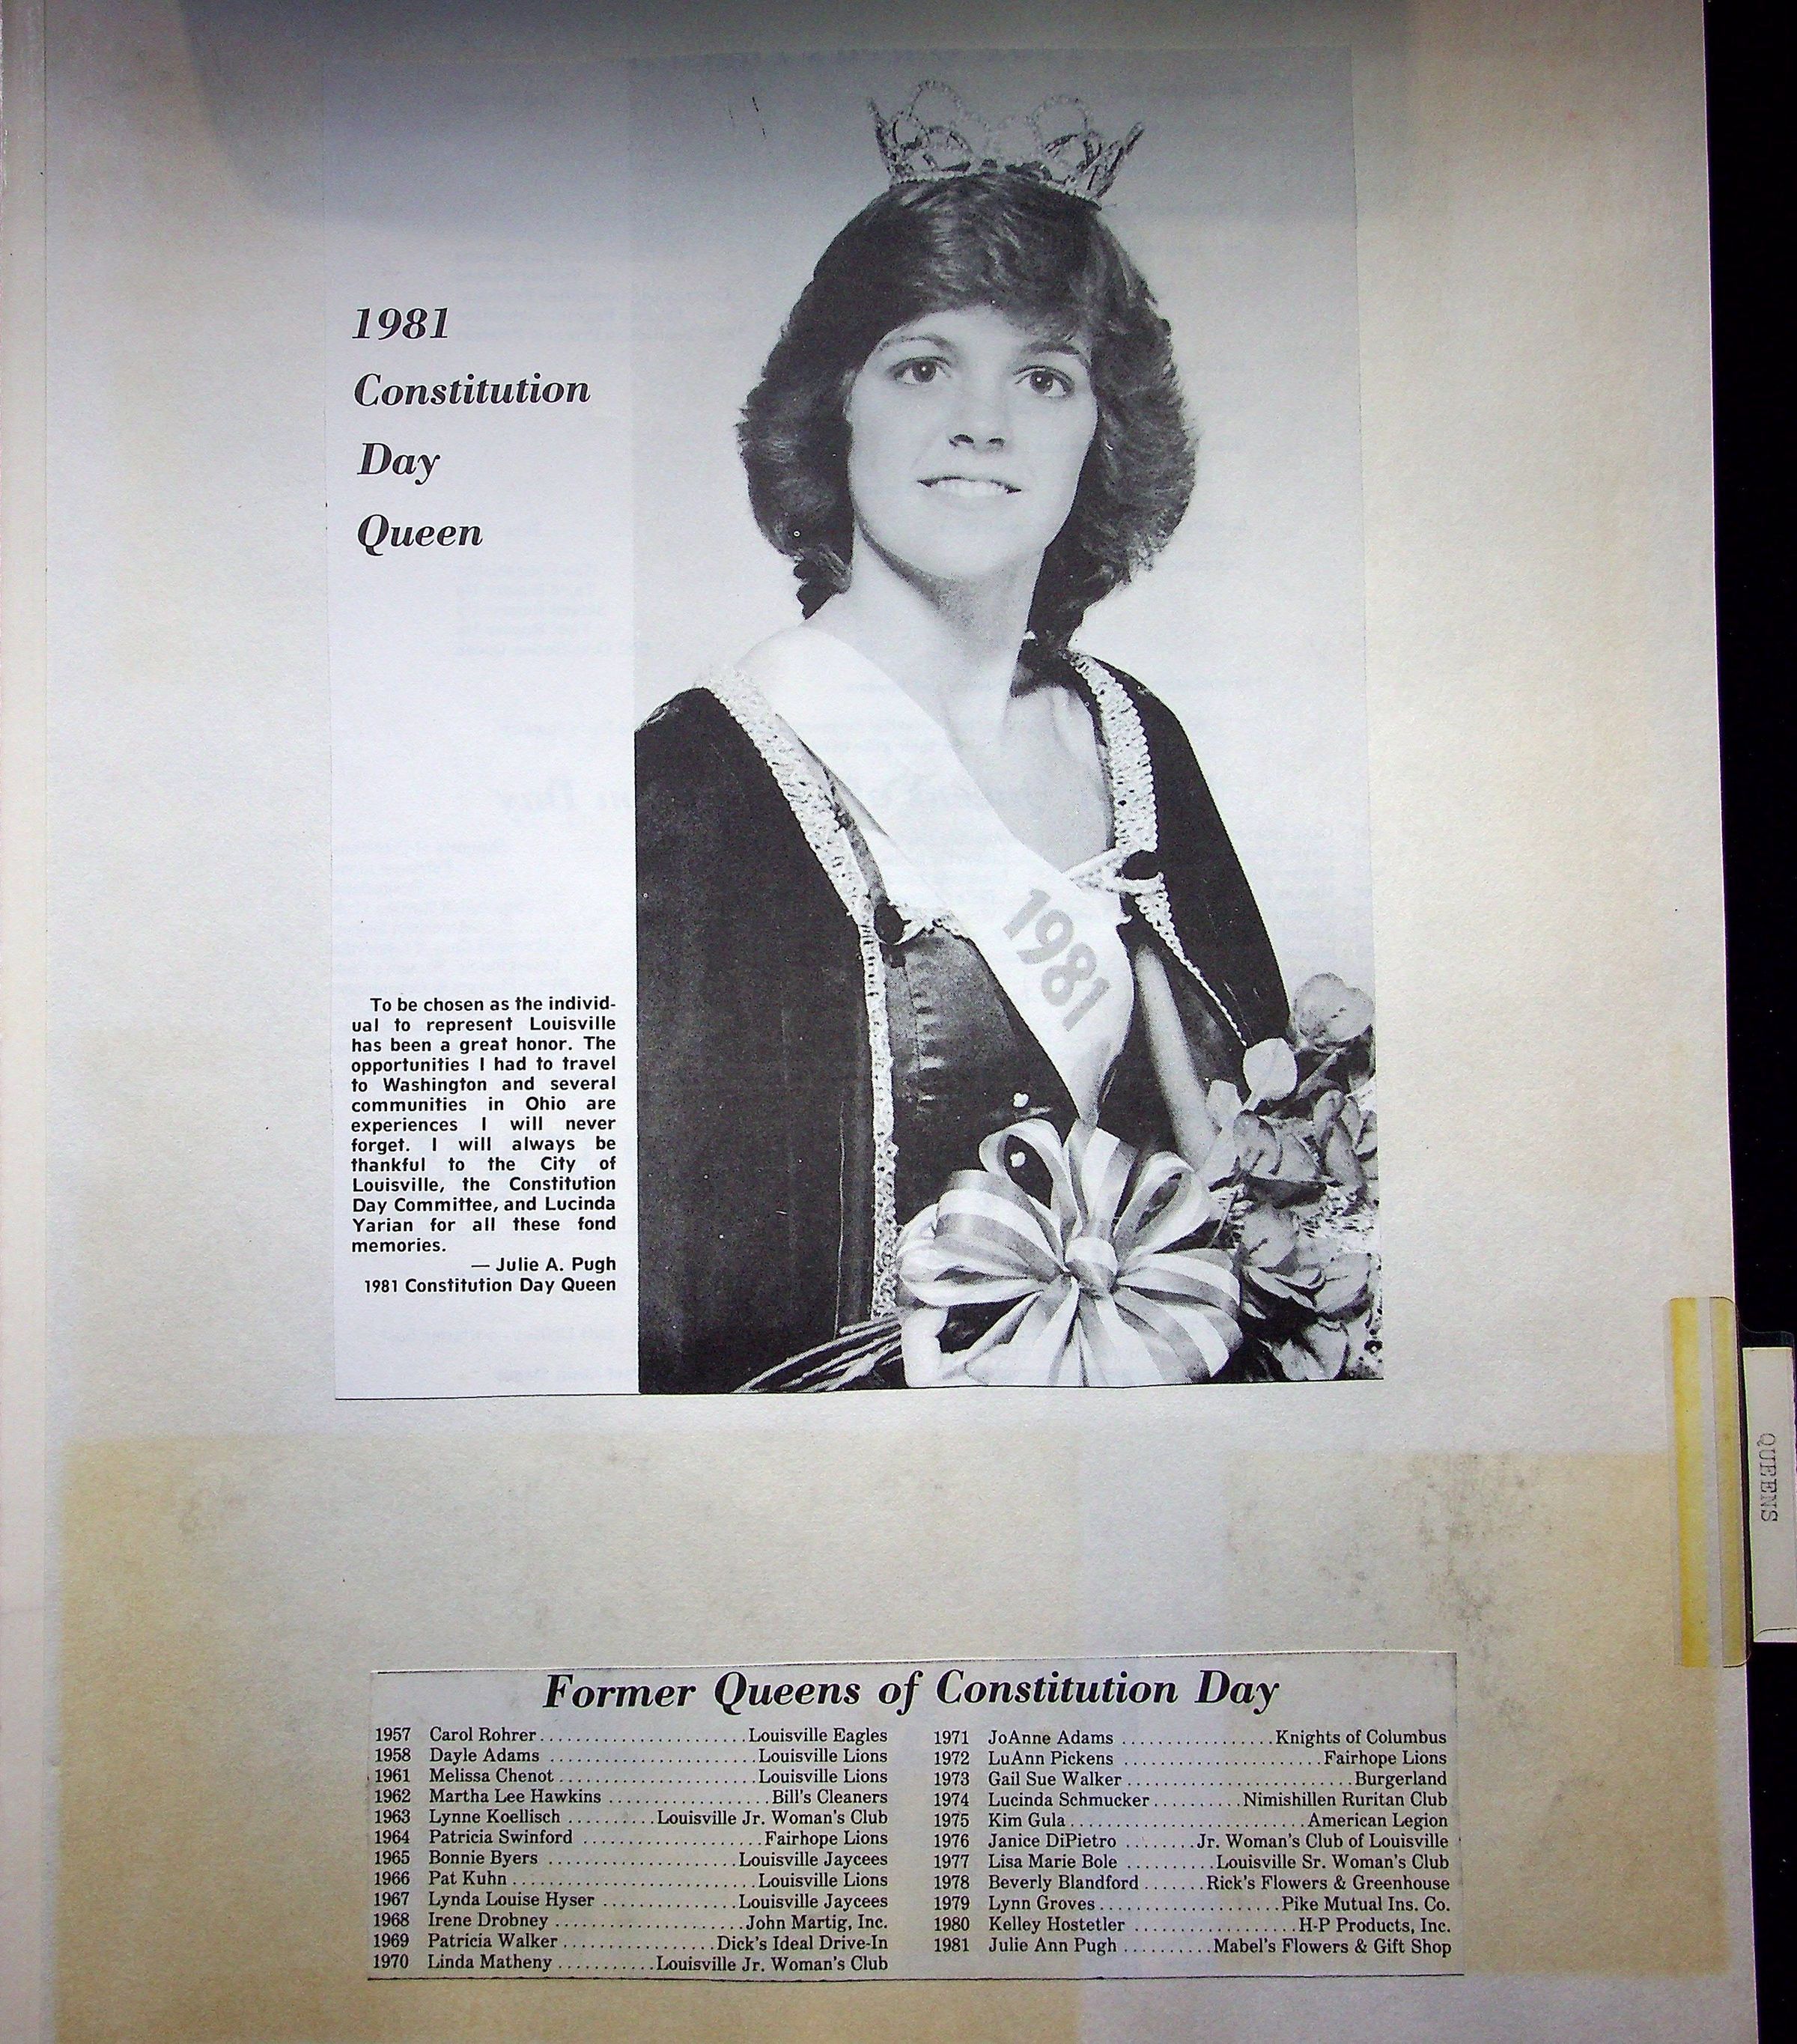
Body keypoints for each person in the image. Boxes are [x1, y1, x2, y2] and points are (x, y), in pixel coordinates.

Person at [637, 135, 1286, 1393]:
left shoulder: (1137, 736)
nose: (983, 424)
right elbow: (686, 1323)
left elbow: (1260, 1159)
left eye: (1043, 378)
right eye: (924, 365)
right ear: (837, 406)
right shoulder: (697, 784)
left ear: (1099, 431)